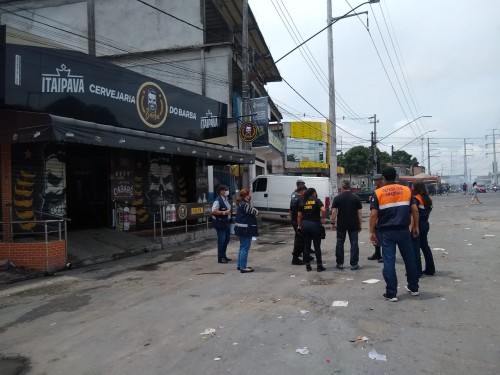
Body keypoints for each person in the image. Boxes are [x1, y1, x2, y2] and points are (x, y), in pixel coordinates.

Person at [369, 166, 420, 302]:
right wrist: (415, 226)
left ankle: (392, 293)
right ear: (396, 176)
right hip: (404, 230)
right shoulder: (406, 190)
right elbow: (415, 210)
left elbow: (373, 214)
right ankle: (414, 288)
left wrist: (371, 232)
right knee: (410, 259)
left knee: (389, 261)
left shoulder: (378, 193)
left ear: (383, 178)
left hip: (387, 232)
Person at [331, 180, 363, 270]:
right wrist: (359, 224)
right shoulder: (356, 198)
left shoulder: (337, 198)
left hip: (341, 224)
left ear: (342, 187)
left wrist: (333, 222)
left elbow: (334, 212)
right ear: (350, 187)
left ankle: (340, 263)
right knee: (354, 243)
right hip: (353, 224)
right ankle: (354, 264)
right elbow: (359, 213)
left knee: (340, 243)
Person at [297, 187, 326, 272]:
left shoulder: (302, 201)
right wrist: (323, 218)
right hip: (315, 225)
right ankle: (319, 266)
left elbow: (299, 215)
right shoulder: (317, 200)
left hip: (305, 225)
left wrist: (299, 226)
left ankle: (308, 266)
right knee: (317, 246)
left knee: (306, 245)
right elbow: (323, 210)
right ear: (313, 193)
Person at [412, 181, 436, 276]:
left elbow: (415, 213)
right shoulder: (427, 199)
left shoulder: (416, 199)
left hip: (418, 224)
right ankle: (430, 269)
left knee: (415, 248)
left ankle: (417, 271)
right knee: (425, 247)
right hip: (425, 224)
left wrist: (414, 227)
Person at [234, 188, 259, 273]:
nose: (250, 196)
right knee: (245, 248)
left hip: (241, 229)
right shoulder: (245, 205)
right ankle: (243, 267)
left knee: (242, 247)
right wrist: (256, 210)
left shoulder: (240, 203)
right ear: (246, 196)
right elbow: (256, 212)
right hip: (246, 229)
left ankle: (240, 265)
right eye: (248, 195)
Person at [211, 184, 232, 264]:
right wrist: (224, 212)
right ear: (221, 191)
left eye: (227, 189)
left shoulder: (226, 199)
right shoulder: (218, 200)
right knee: (221, 240)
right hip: (220, 223)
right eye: (226, 190)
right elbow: (213, 211)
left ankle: (224, 255)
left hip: (226, 222)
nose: (227, 191)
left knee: (227, 240)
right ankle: (220, 258)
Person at [367, 174, 384, 263]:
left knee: (382, 236)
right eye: (374, 180)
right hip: (376, 214)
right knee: (377, 236)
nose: (375, 182)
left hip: (381, 215)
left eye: (376, 180)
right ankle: (377, 253)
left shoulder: (383, 189)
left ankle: (383, 256)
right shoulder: (376, 190)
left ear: (381, 180)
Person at [289, 182, 307, 265]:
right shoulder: (301, 199)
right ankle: (295, 258)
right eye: (305, 191)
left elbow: (291, 211)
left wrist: (293, 220)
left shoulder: (294, 198)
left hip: (294, 221)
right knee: (299, 240)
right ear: (302, 191)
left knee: (301, 239)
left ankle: (304, 254)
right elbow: (301, 213)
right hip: (299, 222)